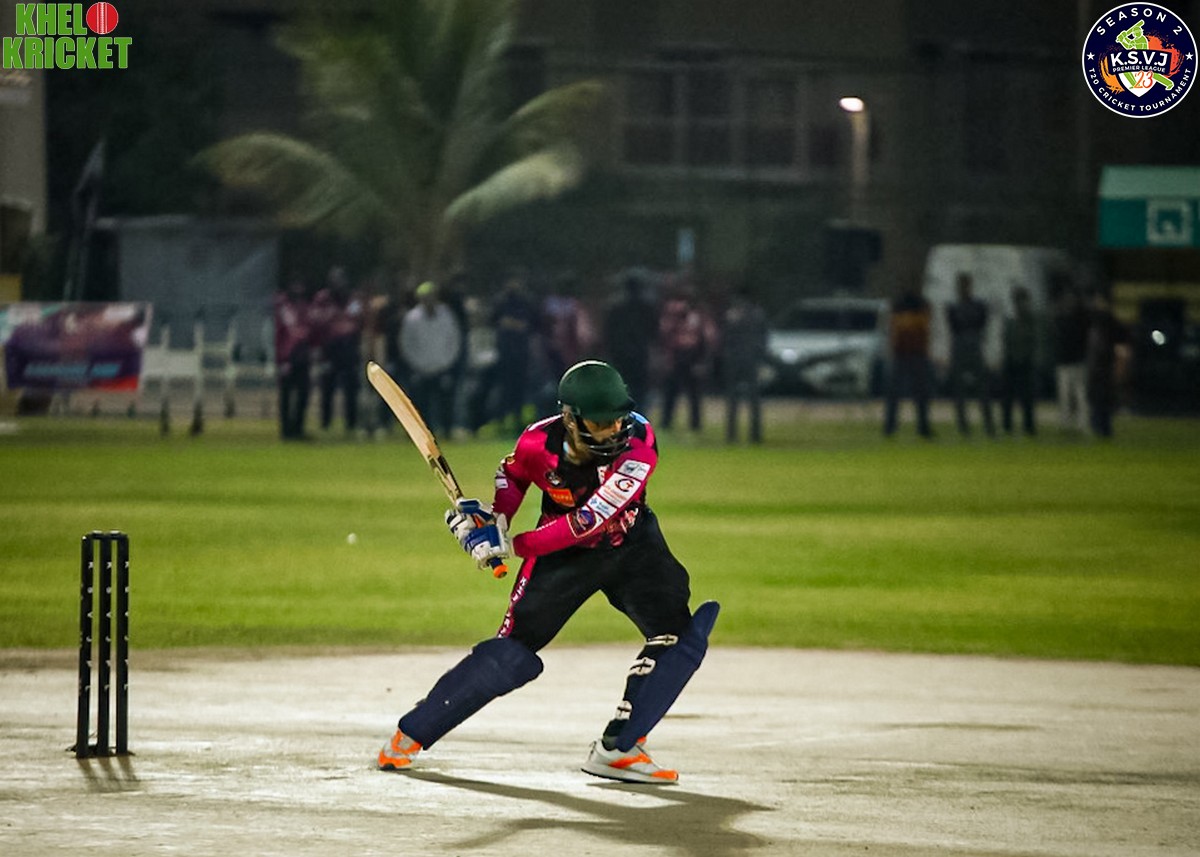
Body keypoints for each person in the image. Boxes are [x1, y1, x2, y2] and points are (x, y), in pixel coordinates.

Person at [376, 360, 719, 784]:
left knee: (679, 638)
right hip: (562, 559)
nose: (614, 429)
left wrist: (510, 544)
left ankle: (620, 748)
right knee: (512, 652)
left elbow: (588, 520)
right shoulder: (537, 442)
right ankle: (408, 737)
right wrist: (497, 518)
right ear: (571, 419)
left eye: (618, 418)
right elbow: (513, 473)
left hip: (633, 547)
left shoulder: (640, 442)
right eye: (601, 422)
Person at [400, 280, 463, 437]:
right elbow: (406, 343)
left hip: (442, 366)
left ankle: (447, 431)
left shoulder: (446, 315)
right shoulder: (412, 318)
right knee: (421, 404)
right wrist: (416, 363)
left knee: (445, 403)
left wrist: (447, 362)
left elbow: (454, 340)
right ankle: (423, 435)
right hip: (420, 368)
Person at [310, 266, 365, 435]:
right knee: (327, 387)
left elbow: (358, 320)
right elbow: (317, 321)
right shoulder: (323, 299)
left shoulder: (353, 299)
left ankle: (351, 424)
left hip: (348, 348)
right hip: (330, 349)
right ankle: (326, 423)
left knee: (351, 388)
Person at [658, 281, 712, 433]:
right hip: (676, 356)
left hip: (692, 356)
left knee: (694, 394)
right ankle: (666, 422)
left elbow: (705, 338)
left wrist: (702, 359)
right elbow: (664, 335)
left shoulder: (697, 317)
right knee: (671, 391)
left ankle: (695, 424)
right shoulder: (670, 317)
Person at [490, 269, 540, 435]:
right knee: (505, 389)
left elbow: (534, 323)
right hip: (505, 352)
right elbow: (493, 320)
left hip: (521, 352)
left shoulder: (526, 302)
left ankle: (518, 420)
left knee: (520, 388)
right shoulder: (501, 301)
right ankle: (502, 420)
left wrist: (517, 325)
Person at [946, 273, 994, 436]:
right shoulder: (954, 307)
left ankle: (988, 425)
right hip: (961, 349)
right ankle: (963, 427)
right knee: (959, 391)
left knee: (982, 389)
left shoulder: (978, 306)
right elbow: (953, 327)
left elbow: (982, 324)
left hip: (973, 348)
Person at [883, 284, 934, 438]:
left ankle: (920, 426)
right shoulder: (913, 309)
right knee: (901, 393)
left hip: (913, 354)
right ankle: (893, 426)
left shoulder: (907, 309)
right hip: (906, 354)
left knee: (917, 393)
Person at [604, 273, 658, 411]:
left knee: (621, 386)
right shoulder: (646, 307)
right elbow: (653, 331)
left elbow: (608, 332)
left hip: (620, 352)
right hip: (640, 352)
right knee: (639, 389)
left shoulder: (615, 307)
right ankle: (638, 412)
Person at [720, 285, 768, 443]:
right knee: (753, 399)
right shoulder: (758, 314)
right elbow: (763, 338)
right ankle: (754, 435)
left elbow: (725, 337)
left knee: (734, 399)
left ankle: (732, 434)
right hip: (750, 359)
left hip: (736, 359)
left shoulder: (733, 314)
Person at [1084, 291, 1130, 438]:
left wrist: (1119, 367)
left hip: (1105, 366)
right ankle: (1098, 426)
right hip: (1097, 366)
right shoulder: (1095, 322)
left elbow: (1121, 347)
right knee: (1097, 398)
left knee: (1103, 399)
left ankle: (1103, 427)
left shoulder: (1110, 323)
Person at [273, 277, 313, 441]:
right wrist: (281, 359)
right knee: (286, 395)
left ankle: (298, 428)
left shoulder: (304, 307)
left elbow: (309, 330)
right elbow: (279, 335)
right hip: (288, 357)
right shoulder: (283, 307)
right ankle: (286, 430)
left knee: (303, 393)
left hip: (302, 356)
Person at [998, 284, 1039, 436]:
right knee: (1007, 396)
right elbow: (1005, 339)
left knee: (1027, 396)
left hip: (1025, 361)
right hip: (1011, 361)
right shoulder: (1010, 318)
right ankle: (1007, 425)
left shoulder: (1029, 319)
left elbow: (1032, 340)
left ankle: (1028, 426)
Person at [1052, 287, 1089, 433]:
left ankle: (1081, 422)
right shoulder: (1061, 319)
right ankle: (1066, 423)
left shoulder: (1080, 320)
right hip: (1064, 362)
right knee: (1064, 395)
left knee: (1079, 394)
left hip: (1077, 362)